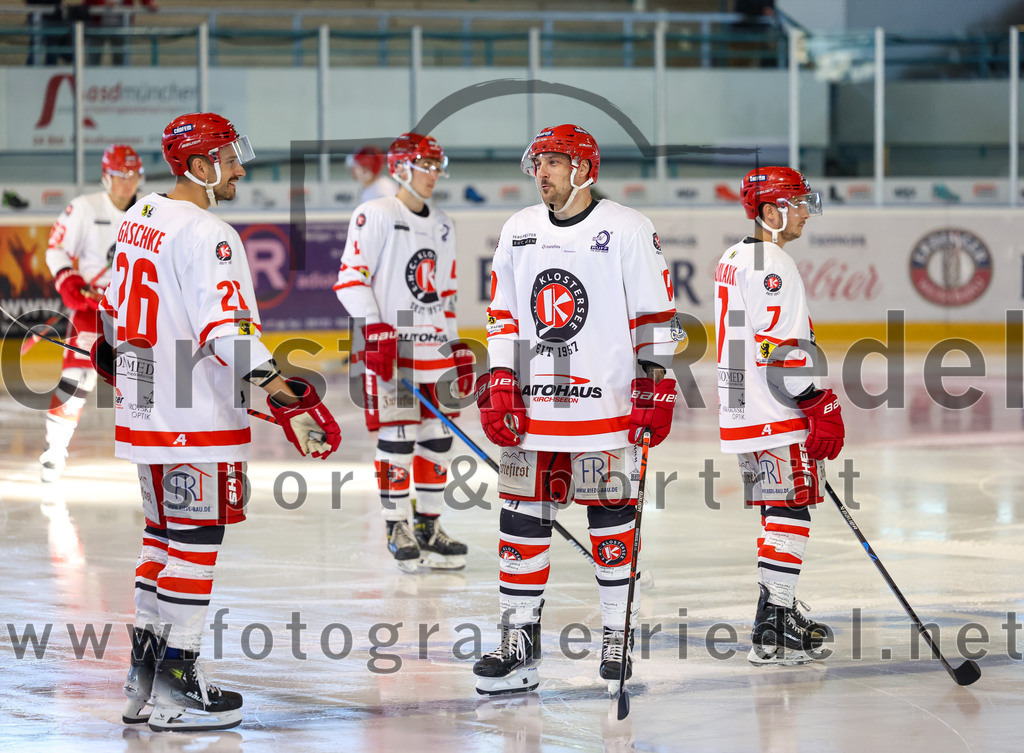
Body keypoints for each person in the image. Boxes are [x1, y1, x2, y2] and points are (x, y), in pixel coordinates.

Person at [94, 112, 341, 731]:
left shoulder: (137, 217)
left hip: (144, 410)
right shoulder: (210, 232)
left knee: (161, 539)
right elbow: (228, 333)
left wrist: (114, 357)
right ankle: (179, 681)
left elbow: (110, 314)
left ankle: (143, 678)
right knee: (196, 542)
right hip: (193, 416)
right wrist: (285, 393)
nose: (239, 167)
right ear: (200, 166)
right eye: (229, 158)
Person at [472, 124, 680, 695]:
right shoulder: (518, 230)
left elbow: (655, 314)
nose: (542, 172)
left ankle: (617, 635)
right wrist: (500, 381)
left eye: (555, 162)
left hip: (606, 409)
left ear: (585, 169)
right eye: (537, 162)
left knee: (611, 522)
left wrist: (656, 386)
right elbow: (504, 317)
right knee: (519, 525)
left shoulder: (629, 229)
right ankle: (519, 642)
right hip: (533, 414)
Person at [714, 166, 844, 666]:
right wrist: (817, 400)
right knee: (792, 509)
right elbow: (778, 347)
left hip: (742, 407)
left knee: (777, 510)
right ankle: (776, 622)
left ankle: (772, 622)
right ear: (770, 211)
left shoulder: (734, 256)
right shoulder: (775, 264)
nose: (805, 213)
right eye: (796, 203)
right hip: (775, 406)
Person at [334, 132, 473, 572]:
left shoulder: (445, 222)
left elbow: (445, 294)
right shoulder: (373, 213)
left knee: (438, 439)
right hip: (391, 347)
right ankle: (397, 526)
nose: (432, 175)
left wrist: (455, 346)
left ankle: (429, 526)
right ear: (400, 169)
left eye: (436, 166)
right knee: (398, 435)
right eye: (424, 166)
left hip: (433, 345)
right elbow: (351, 279)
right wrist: (374, 331)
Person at [39, 143, 143, 482]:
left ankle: (150, 451)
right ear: (105, 176)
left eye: (132, 176)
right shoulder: (84, 207)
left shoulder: (149, 211)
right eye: (119, 176)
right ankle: (55, 450)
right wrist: (67, 280)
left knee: (145, 381)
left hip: (135, 310)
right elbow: (56, 248)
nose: (127, 183)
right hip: (92, 307)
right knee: (76, 378)